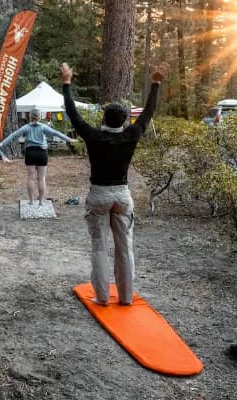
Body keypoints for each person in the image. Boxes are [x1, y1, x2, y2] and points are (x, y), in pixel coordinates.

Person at [61, 62, 165, 306]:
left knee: (99, 247)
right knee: (125, 247)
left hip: (99, 194)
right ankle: (127, 297)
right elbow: (148, 113)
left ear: (104, 118)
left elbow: (73, 114)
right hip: (122, 195)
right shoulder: (131, 135)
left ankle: (102, 297)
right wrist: (156, 83)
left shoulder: (94, 135)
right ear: (124, 120)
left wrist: (66, 84)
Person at [0, 110, 77, 205]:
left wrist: (2, 143)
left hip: (30, 153)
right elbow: (56, 133)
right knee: (41, 178)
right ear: (40, 117)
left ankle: (31, 201)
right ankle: (41, 202)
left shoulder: (26, 127)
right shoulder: (43, 127)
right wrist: (70, 139)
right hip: (41, 153)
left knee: (31, 178)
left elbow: (13, 135)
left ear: (29, 117)